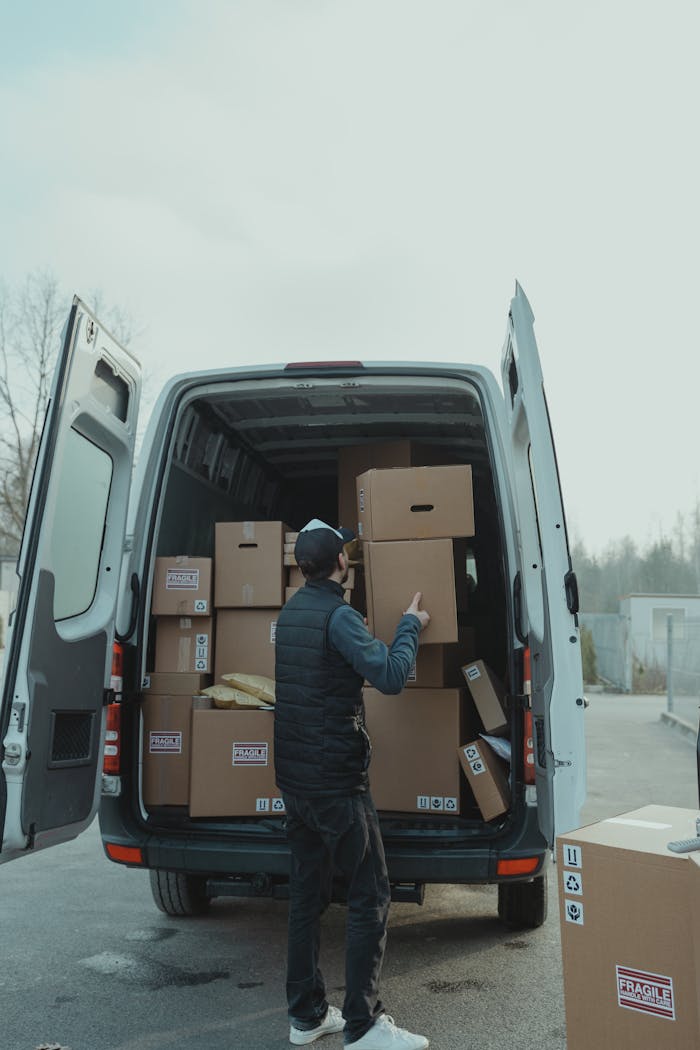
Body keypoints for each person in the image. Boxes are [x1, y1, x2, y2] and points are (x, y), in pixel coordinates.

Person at [274, 519, 431, 1049]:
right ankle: (363, 1026)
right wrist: (410, 625)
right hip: (336, 785)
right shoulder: (338, 617)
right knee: (370, 895)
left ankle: (307, 1015)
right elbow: (389, 676)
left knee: (306, 896)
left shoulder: (292, 611)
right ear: (342, 562)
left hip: (295, 782)